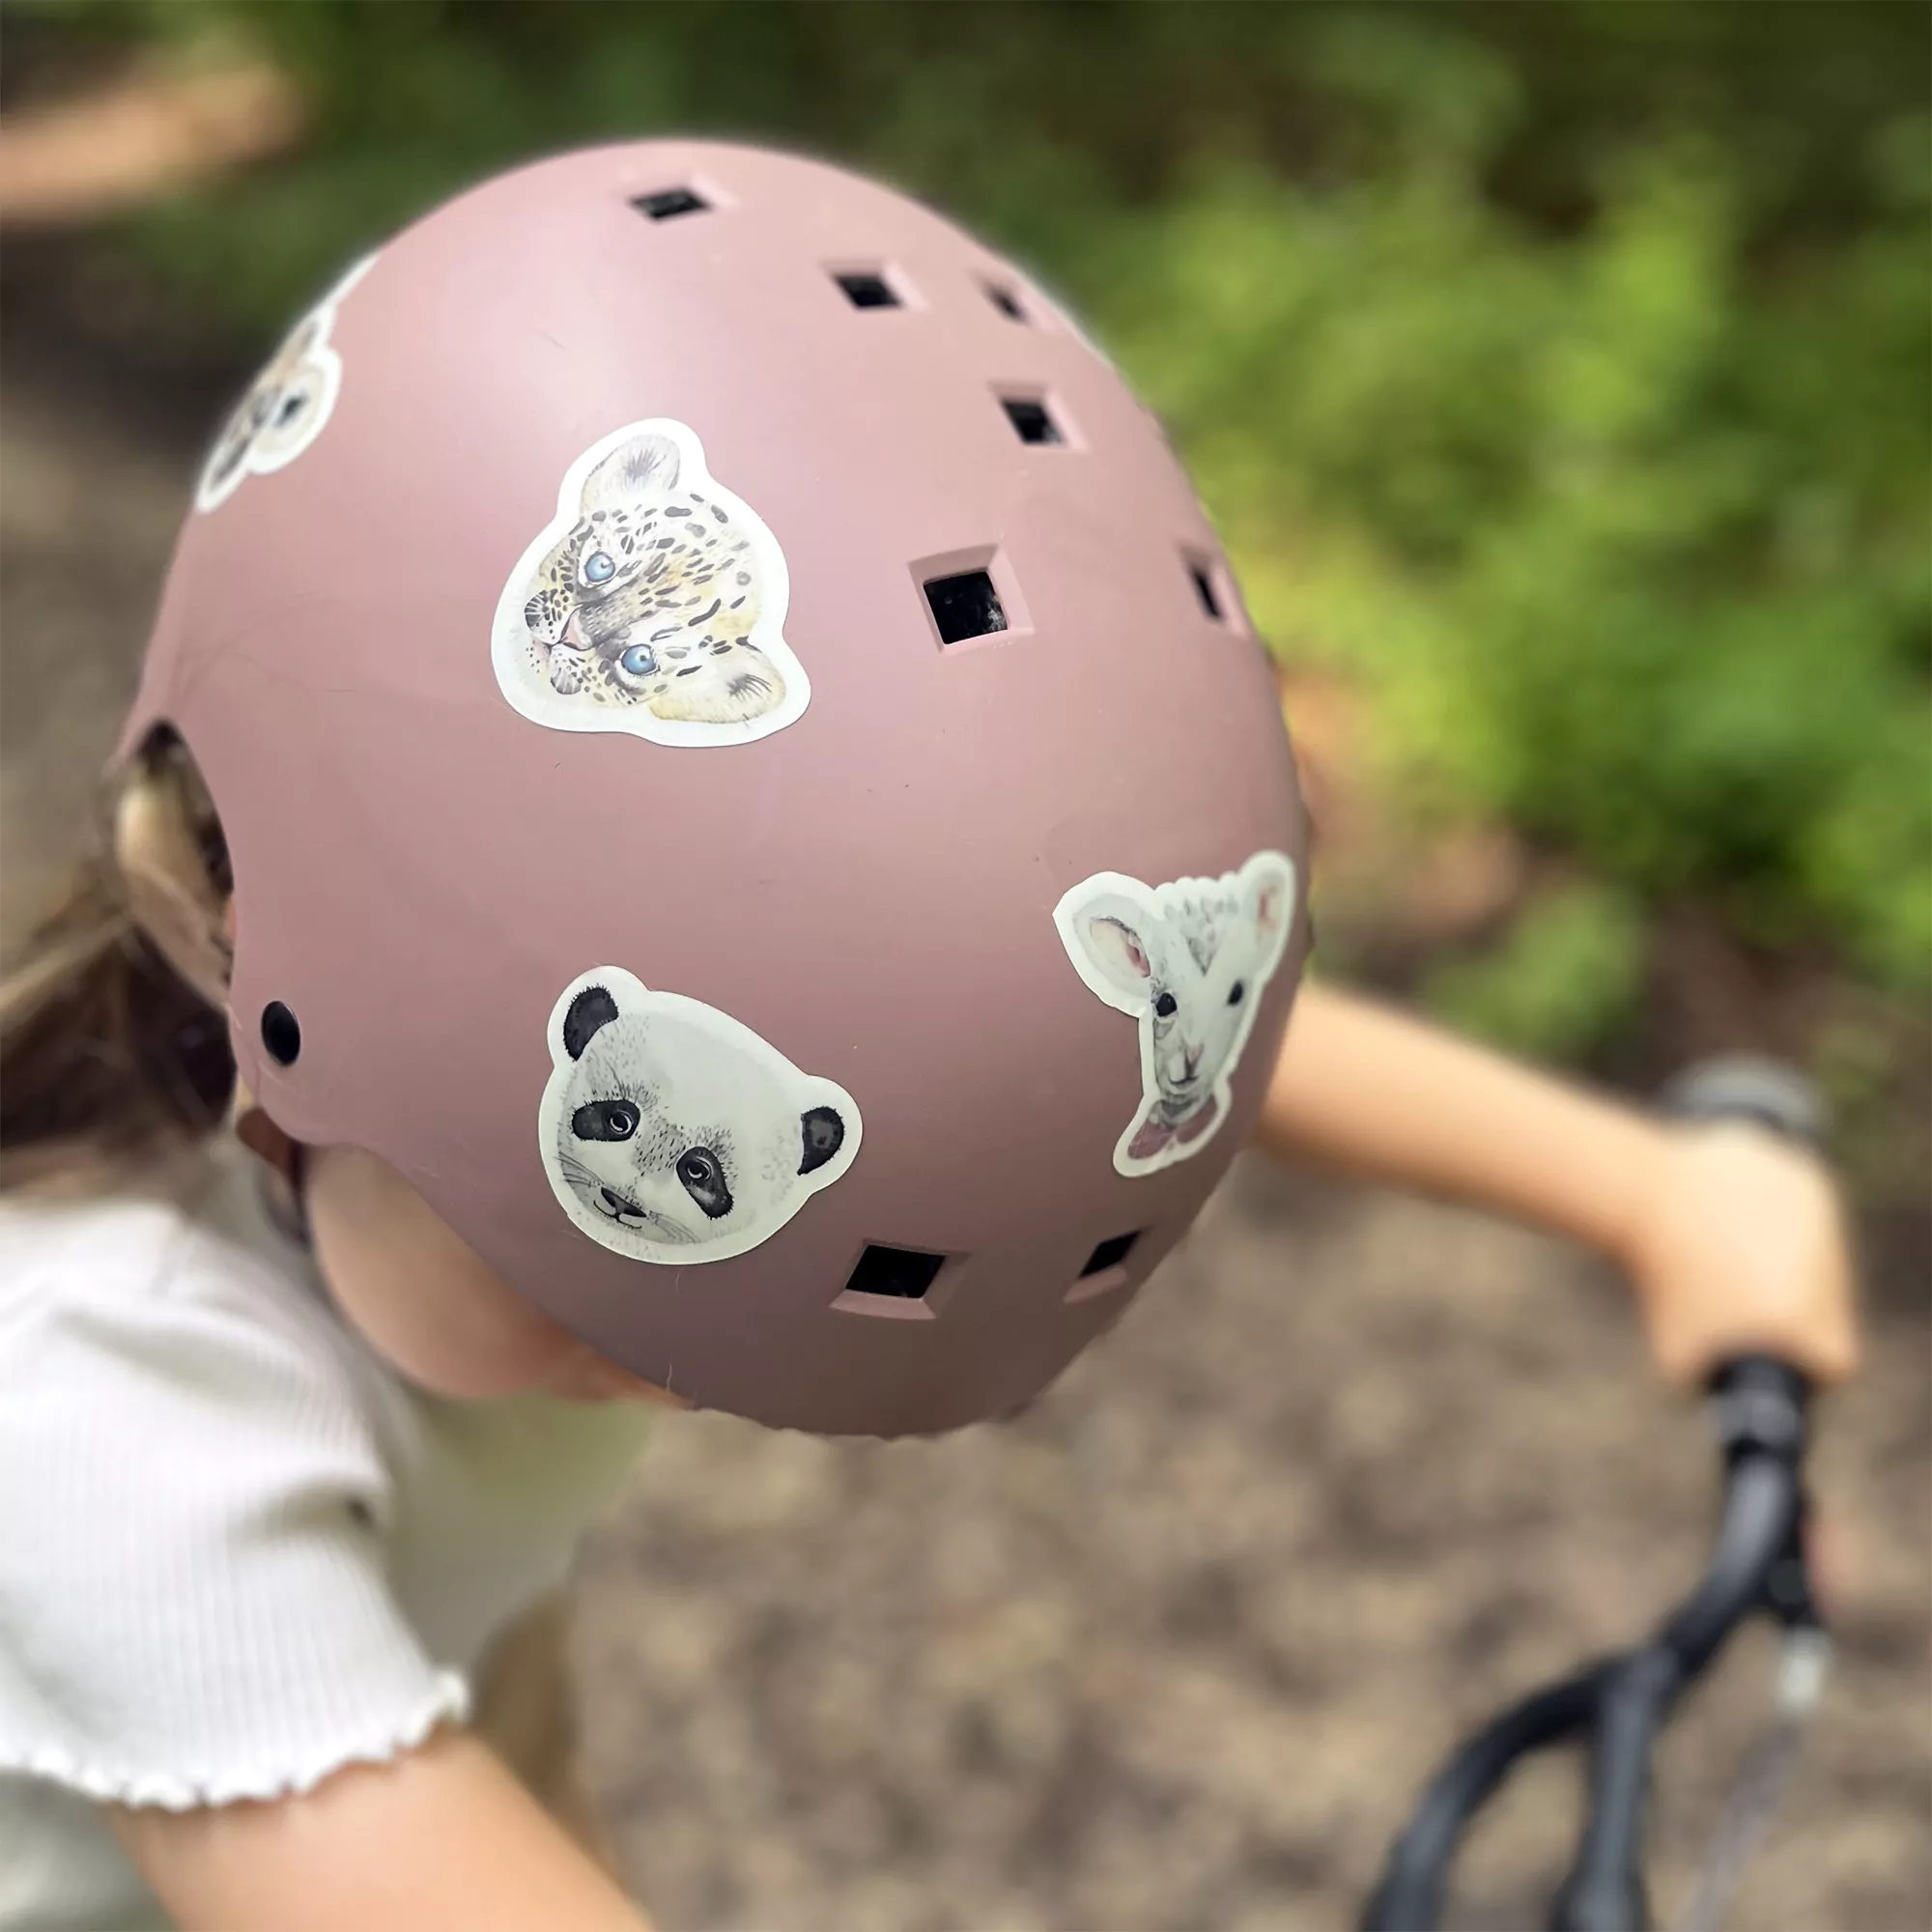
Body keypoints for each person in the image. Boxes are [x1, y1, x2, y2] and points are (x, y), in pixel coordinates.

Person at [0, 141, 1858, 1932]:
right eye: (591, 1262)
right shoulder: (113, 1430)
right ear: (267, 927)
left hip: (427, 1666)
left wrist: (1647, 1188)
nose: (678, 1367)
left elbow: (1086, 1042)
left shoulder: (428, 1207)